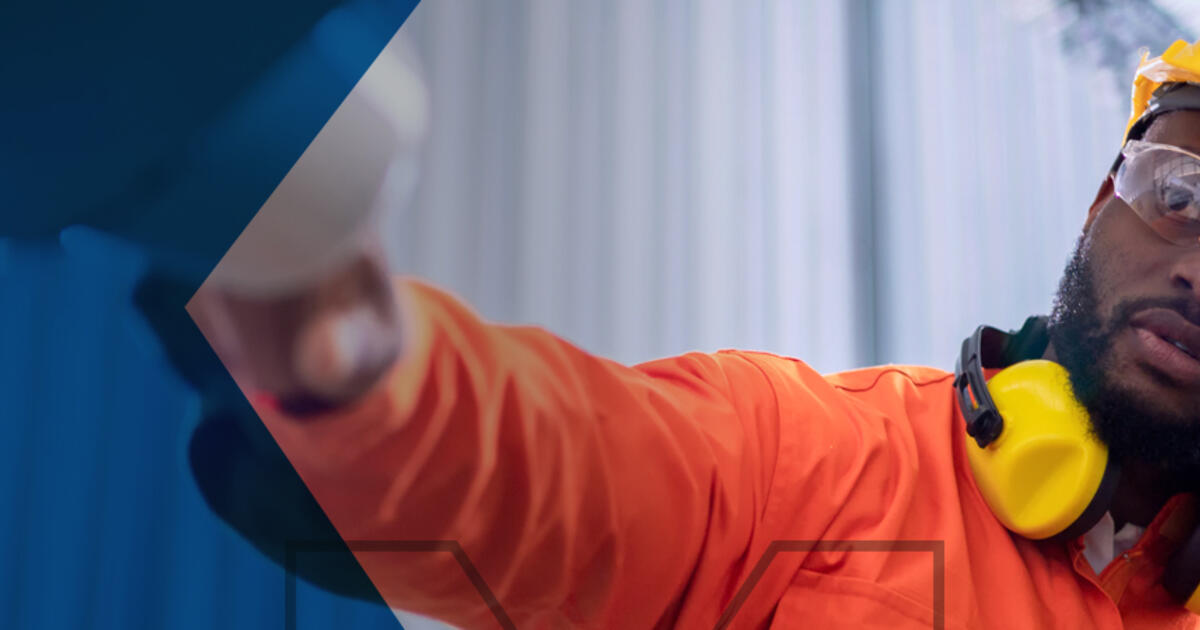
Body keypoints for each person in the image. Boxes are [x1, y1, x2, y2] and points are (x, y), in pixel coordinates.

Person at [190, 40, 1200, 629]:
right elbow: (561, 476)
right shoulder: (819, 464)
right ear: (1099, 202)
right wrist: (358, 366)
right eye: (1180, 194)